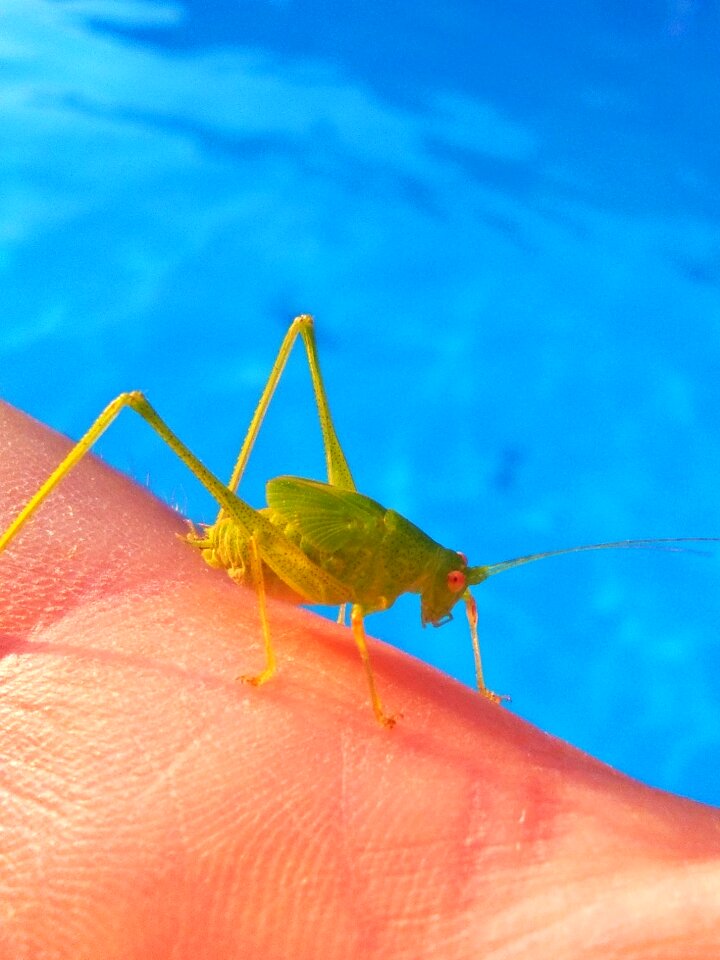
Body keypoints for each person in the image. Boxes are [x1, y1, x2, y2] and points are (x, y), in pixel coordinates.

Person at [1, 400, 719, 959]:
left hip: (316, 548)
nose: (454, 596)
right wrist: (294, 671)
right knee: (139, 405)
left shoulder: (439, 570)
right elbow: (353, 623)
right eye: (451, 583)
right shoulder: (395, 565)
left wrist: (482, 684)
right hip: (270, 551)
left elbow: (461, 599)